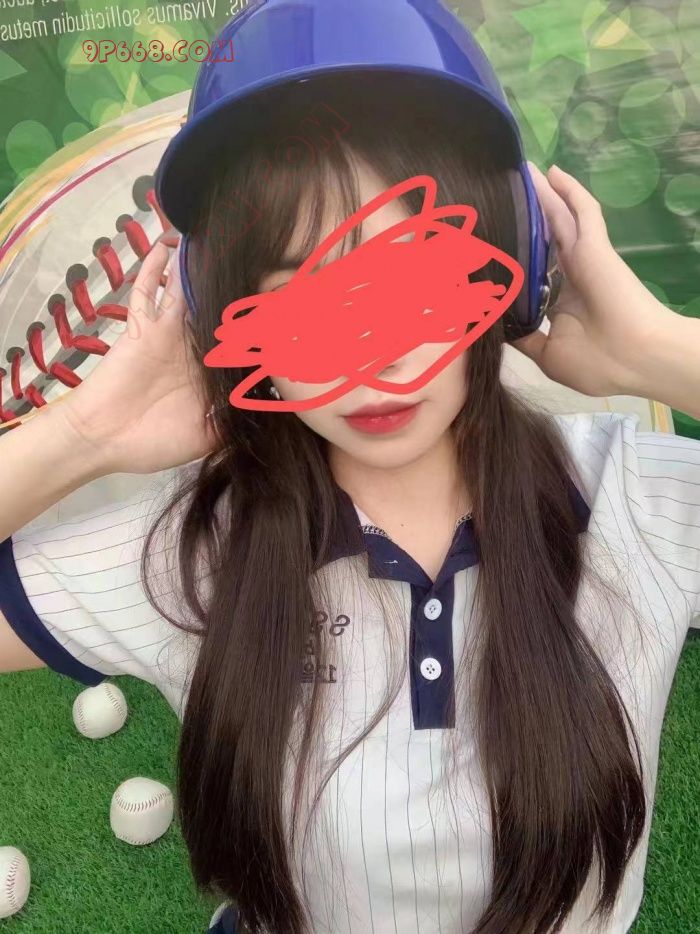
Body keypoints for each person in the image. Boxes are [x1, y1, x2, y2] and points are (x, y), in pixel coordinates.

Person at [1, 8, 699, 934]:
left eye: (412, 281)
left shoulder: (635, 500)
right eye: (300, 305)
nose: (372, 360)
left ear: (514, 258)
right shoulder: (195, 549)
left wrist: (659, 352)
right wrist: (87, 433)